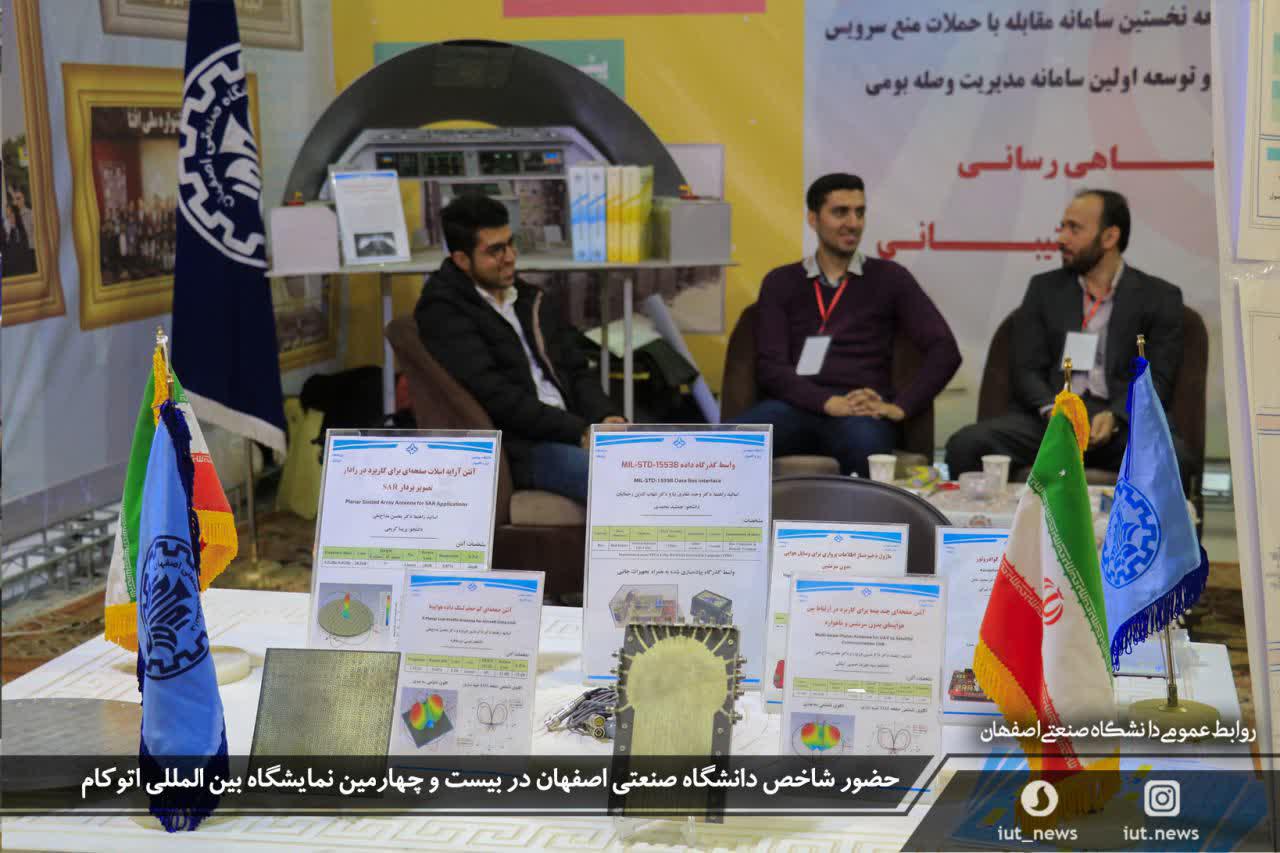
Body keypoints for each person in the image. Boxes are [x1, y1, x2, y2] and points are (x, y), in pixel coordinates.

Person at [946, 188, 1192, 481]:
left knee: (1174, 458)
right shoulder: (1043, 290)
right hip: (1053, 421)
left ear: (1109, 237)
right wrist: (1054, 410)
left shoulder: (1159, 297)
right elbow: (1026, 369)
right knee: (966, 445)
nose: (1061, 238)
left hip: (1120, 426)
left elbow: (1157, 378)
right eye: (1062, 227)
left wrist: (1116, 416)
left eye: (1074, 229)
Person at [730, 173, 961, 477]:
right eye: (840, 212)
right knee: (728, 445)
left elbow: (945, 350)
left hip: (861, 410)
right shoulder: (781, 282)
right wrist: (826, 402)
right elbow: (770, 367)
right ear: (813, 219)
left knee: (867, 448)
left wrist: (899, 407)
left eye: (859, 212)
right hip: (794, 405)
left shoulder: (890, 278)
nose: (853, 223)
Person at [415, 194, 623, 504]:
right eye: (495, 251)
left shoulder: (528, 298)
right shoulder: (443, 311)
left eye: (511, 244)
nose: (510, 257)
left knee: (664, 466)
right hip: (524, 447)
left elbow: (576, 368)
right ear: (461, 260)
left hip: (571, 426)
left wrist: (604, 417)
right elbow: (496, 396)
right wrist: (579, 431)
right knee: (620, 482)